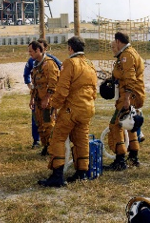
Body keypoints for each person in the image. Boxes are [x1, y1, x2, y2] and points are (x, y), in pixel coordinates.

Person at [39, 36, 97, 187]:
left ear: (70, 48)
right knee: (81, 139)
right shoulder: (90, 64)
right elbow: (94, 89)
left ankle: (57, 175)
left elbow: (62, 89)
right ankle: (82, 172)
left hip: (72, 109)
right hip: (87, 108)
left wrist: (54, 106)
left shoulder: (69, 63)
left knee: (57, 137)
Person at [106, 32, 144, 170]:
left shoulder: (126, 55)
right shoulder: (130, 52)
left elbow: (129, 78)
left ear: (118, 41)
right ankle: (134, 156)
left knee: (115, 126)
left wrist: (127, 98)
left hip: (129, 96)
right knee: (129, 125)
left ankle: (120, 160)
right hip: (134, 95)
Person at [24, 39, 62, 148]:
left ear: (37, 51)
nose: (29, 54)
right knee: (40, 124)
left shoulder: (49, 64)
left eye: (31, 51)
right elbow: (35, 84)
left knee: (48, 124)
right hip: (38, 100)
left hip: (47, 102)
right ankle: (45, 146)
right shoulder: (36, 64)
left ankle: (52, 148)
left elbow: (53, 83)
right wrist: (32, 99)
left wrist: (47, 98)